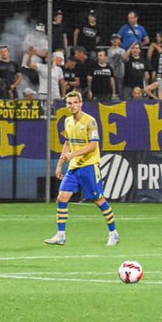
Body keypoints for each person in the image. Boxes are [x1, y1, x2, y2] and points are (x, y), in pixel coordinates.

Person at [45, 91, 120, 246]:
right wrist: (60, 165)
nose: (72, 106)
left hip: (89, 166)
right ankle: (61, 235)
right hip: (73, 168)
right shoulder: (67, 121)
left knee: (98, 199)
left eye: (74, 102)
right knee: (62, 197)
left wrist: (73, 155)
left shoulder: (90, 121)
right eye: (69, 103)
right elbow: (66, 143)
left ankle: (113, 233)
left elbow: (93, 146)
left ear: (80, 104)